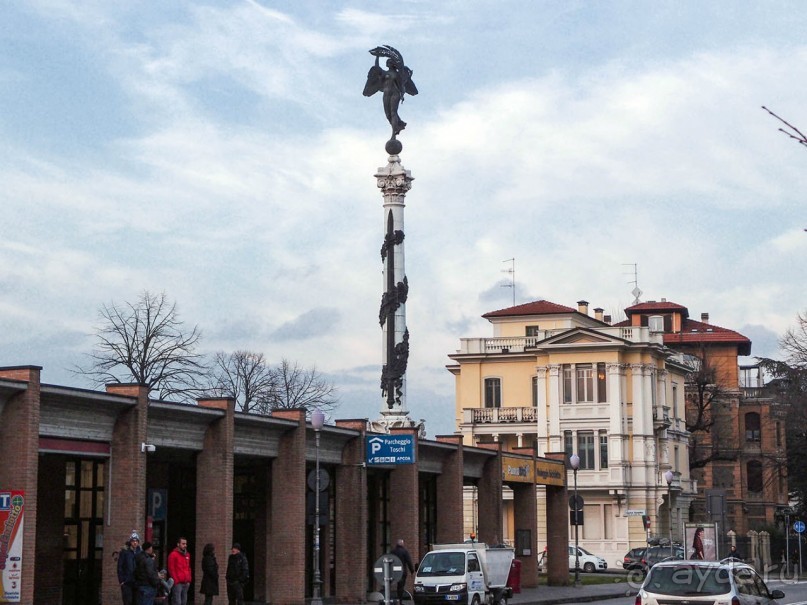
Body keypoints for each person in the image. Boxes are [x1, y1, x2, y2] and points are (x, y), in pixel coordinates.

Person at [362, 46, 418, 137]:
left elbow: (403, 81)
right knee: (388, 114)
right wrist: (377, 56)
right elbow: (377, 68)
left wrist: (406, 76)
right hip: (386, 94)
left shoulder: (398, 74)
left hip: (395, 93)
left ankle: (393, 134)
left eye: (389, 62)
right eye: (387, 62)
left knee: (393, 112)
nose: (387, 63)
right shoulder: (384, 73)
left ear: (393, 64)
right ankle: (397, 126)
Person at [117, 531, 141, 605]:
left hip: (137, 582)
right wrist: (121, 580)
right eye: (133, 541)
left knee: (137, 602)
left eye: (136, 541)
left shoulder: (140, 552)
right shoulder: (125, 552)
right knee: (128, 602)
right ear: (130, 542)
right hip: (127, 582)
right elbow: (120, 567)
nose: (135, 543)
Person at [167, 536, 192, 605]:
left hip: (186, 582)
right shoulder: (173, 555)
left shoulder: (187, 555)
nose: (185, 545)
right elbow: (171, 569)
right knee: (177, 602)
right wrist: (176, 581)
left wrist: (189, 579)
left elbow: (188, 567)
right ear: (178, 544)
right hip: (178, 582)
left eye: (185, 544)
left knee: (184, 602)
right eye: (183, 544)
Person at [391, 539, 415, 603]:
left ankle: (397, 599)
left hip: (395, 571)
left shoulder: (393, 551)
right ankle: (400, 600)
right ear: (402, 544)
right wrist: (412, 570)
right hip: (402, 571)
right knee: (401, 586)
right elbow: (408, 561)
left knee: (397, 585)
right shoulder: (404, 551)